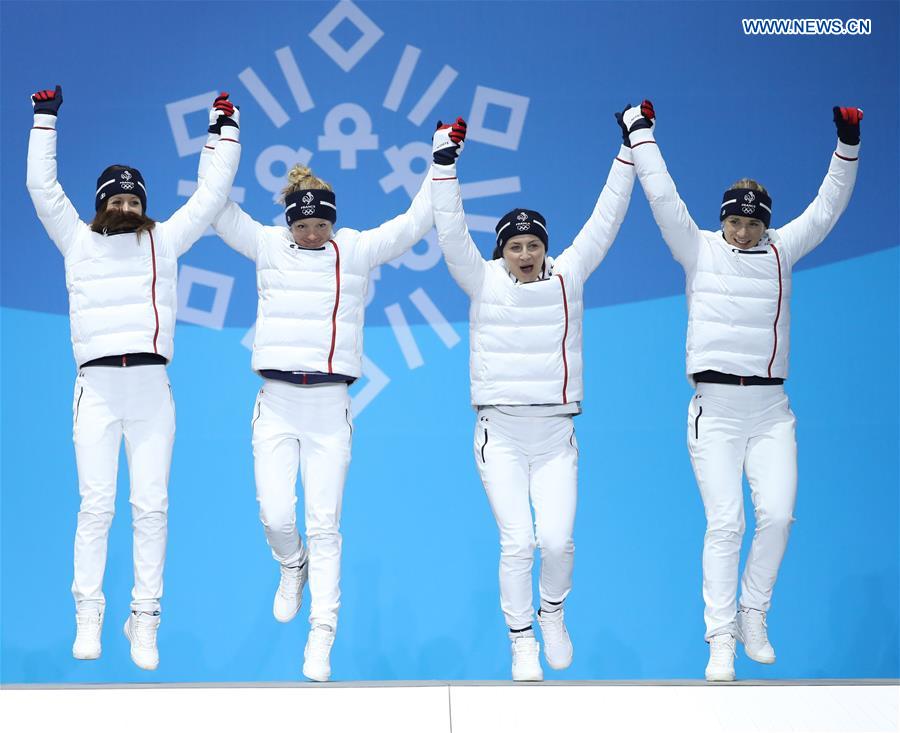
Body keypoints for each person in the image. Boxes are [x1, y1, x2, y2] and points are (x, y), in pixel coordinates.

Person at [196, 115, 463, 682]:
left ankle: (321, 637)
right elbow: (215, 208)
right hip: (276, 401)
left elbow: (418, 223)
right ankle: (291, 565)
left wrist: (442, 160)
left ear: (334, 221)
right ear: (289, 220)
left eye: (322, 223)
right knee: (275, 515)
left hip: (329, 408)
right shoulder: (267, 246)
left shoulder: (358, 251)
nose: (313, 232)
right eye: (304, 223)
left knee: (326, 523)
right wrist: (221, 138)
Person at [621, 100, 862, 681]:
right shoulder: (698, 249)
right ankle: (720, 637)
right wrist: (641, 133)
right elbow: (662, 198)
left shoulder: (784, 250)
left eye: (754, 223)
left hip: (772, 410)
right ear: (723, 218)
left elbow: (828, 207)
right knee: (726, 523)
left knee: (777, 517)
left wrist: (847, 143)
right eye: (736, 221)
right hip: (717, 411)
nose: (745, 231)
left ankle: (754, 612)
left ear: (766, 224)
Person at [27, 87, 241, 670]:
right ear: (101, 206)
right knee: (96, 507)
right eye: (114, 201)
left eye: (132, 201)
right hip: (96, 391)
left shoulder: (162, 242)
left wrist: (224, 129)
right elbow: (42, 191)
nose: (124, 209)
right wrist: (44, 119)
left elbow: (210, 196)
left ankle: (144, 619)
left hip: (150, 392)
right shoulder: (77, 242)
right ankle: (88, 615)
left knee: (151, 507)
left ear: (142, 205)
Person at [430, 117, 635, 680]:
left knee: (559, 541)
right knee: (518, 541)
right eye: (515, 245)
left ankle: (552, 612)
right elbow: (449, 231)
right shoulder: (483, 280)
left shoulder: (569, 277)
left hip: (555, 435)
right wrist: (444, 164)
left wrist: (628, 150)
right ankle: (520, 638)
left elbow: (605, 220)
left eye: (534, 244)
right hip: (501, 433)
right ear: (502, 251)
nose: (525, 253)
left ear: (546, 247)